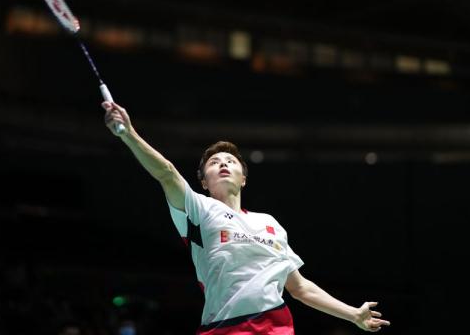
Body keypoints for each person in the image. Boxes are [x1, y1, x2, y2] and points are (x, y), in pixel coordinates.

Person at [102, 101, 391, 334]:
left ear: (243, 179)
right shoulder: (198, 210)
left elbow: (300, 288)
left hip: (274, 327)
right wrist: (128, 133)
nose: (223, 163)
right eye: (214, 162)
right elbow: (166, 173)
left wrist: (353, 314)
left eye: (231, 161)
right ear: (203, 182)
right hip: (222, 328)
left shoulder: (270, 223)